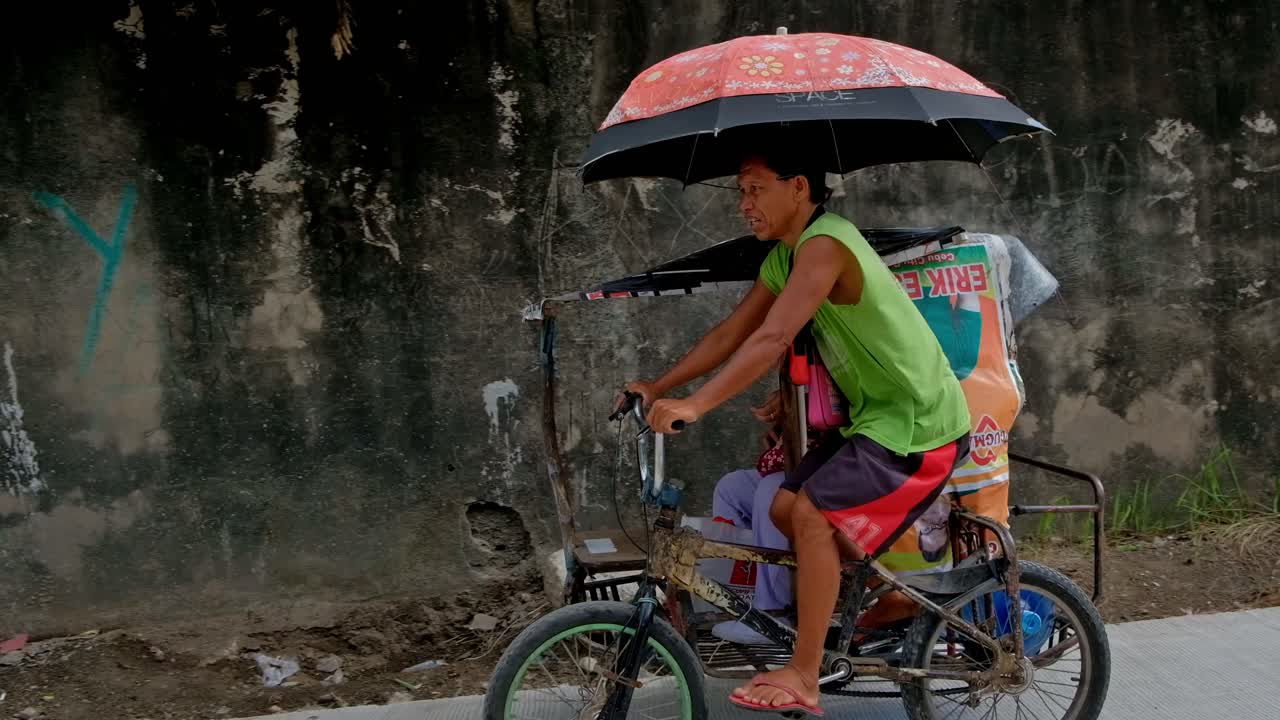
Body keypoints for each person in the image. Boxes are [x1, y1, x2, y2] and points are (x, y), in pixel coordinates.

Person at [618, 146, 971, 715]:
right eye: (740, 191)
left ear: (799, 187)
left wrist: (699, 404)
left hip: (918, 421)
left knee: (810, 516)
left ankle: (806, 675)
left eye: (755, 188)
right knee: (785, 508)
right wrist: (659, 386)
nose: (743, 204)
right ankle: (889, 592)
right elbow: (733, 331)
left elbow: (773, 338)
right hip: (875, 418)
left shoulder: (827, 243)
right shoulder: (783, 259)